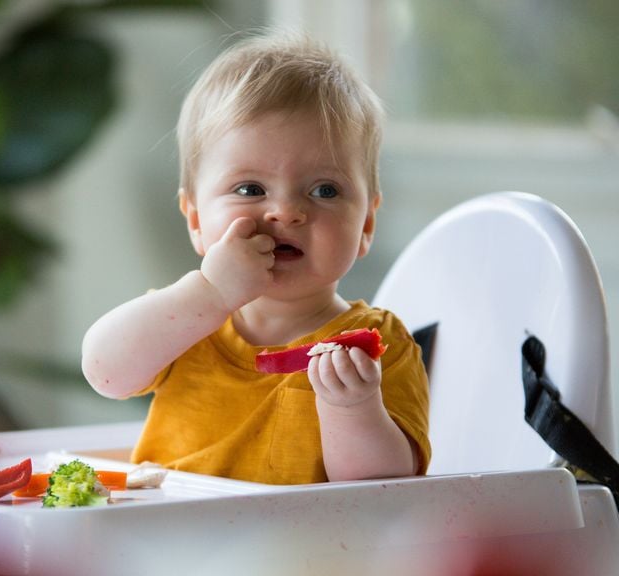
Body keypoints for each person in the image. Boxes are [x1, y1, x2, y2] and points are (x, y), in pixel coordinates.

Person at [81, 31, 430, 485]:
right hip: (169, 541)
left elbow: (386, 492)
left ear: (365, 224)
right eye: (250, 189)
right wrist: (209, 293)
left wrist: (353, 408)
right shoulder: (184, 321)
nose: (285, 211)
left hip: (313, 551)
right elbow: (105, 372)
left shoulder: (378, 345)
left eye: (325, 190)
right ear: (195, 220)